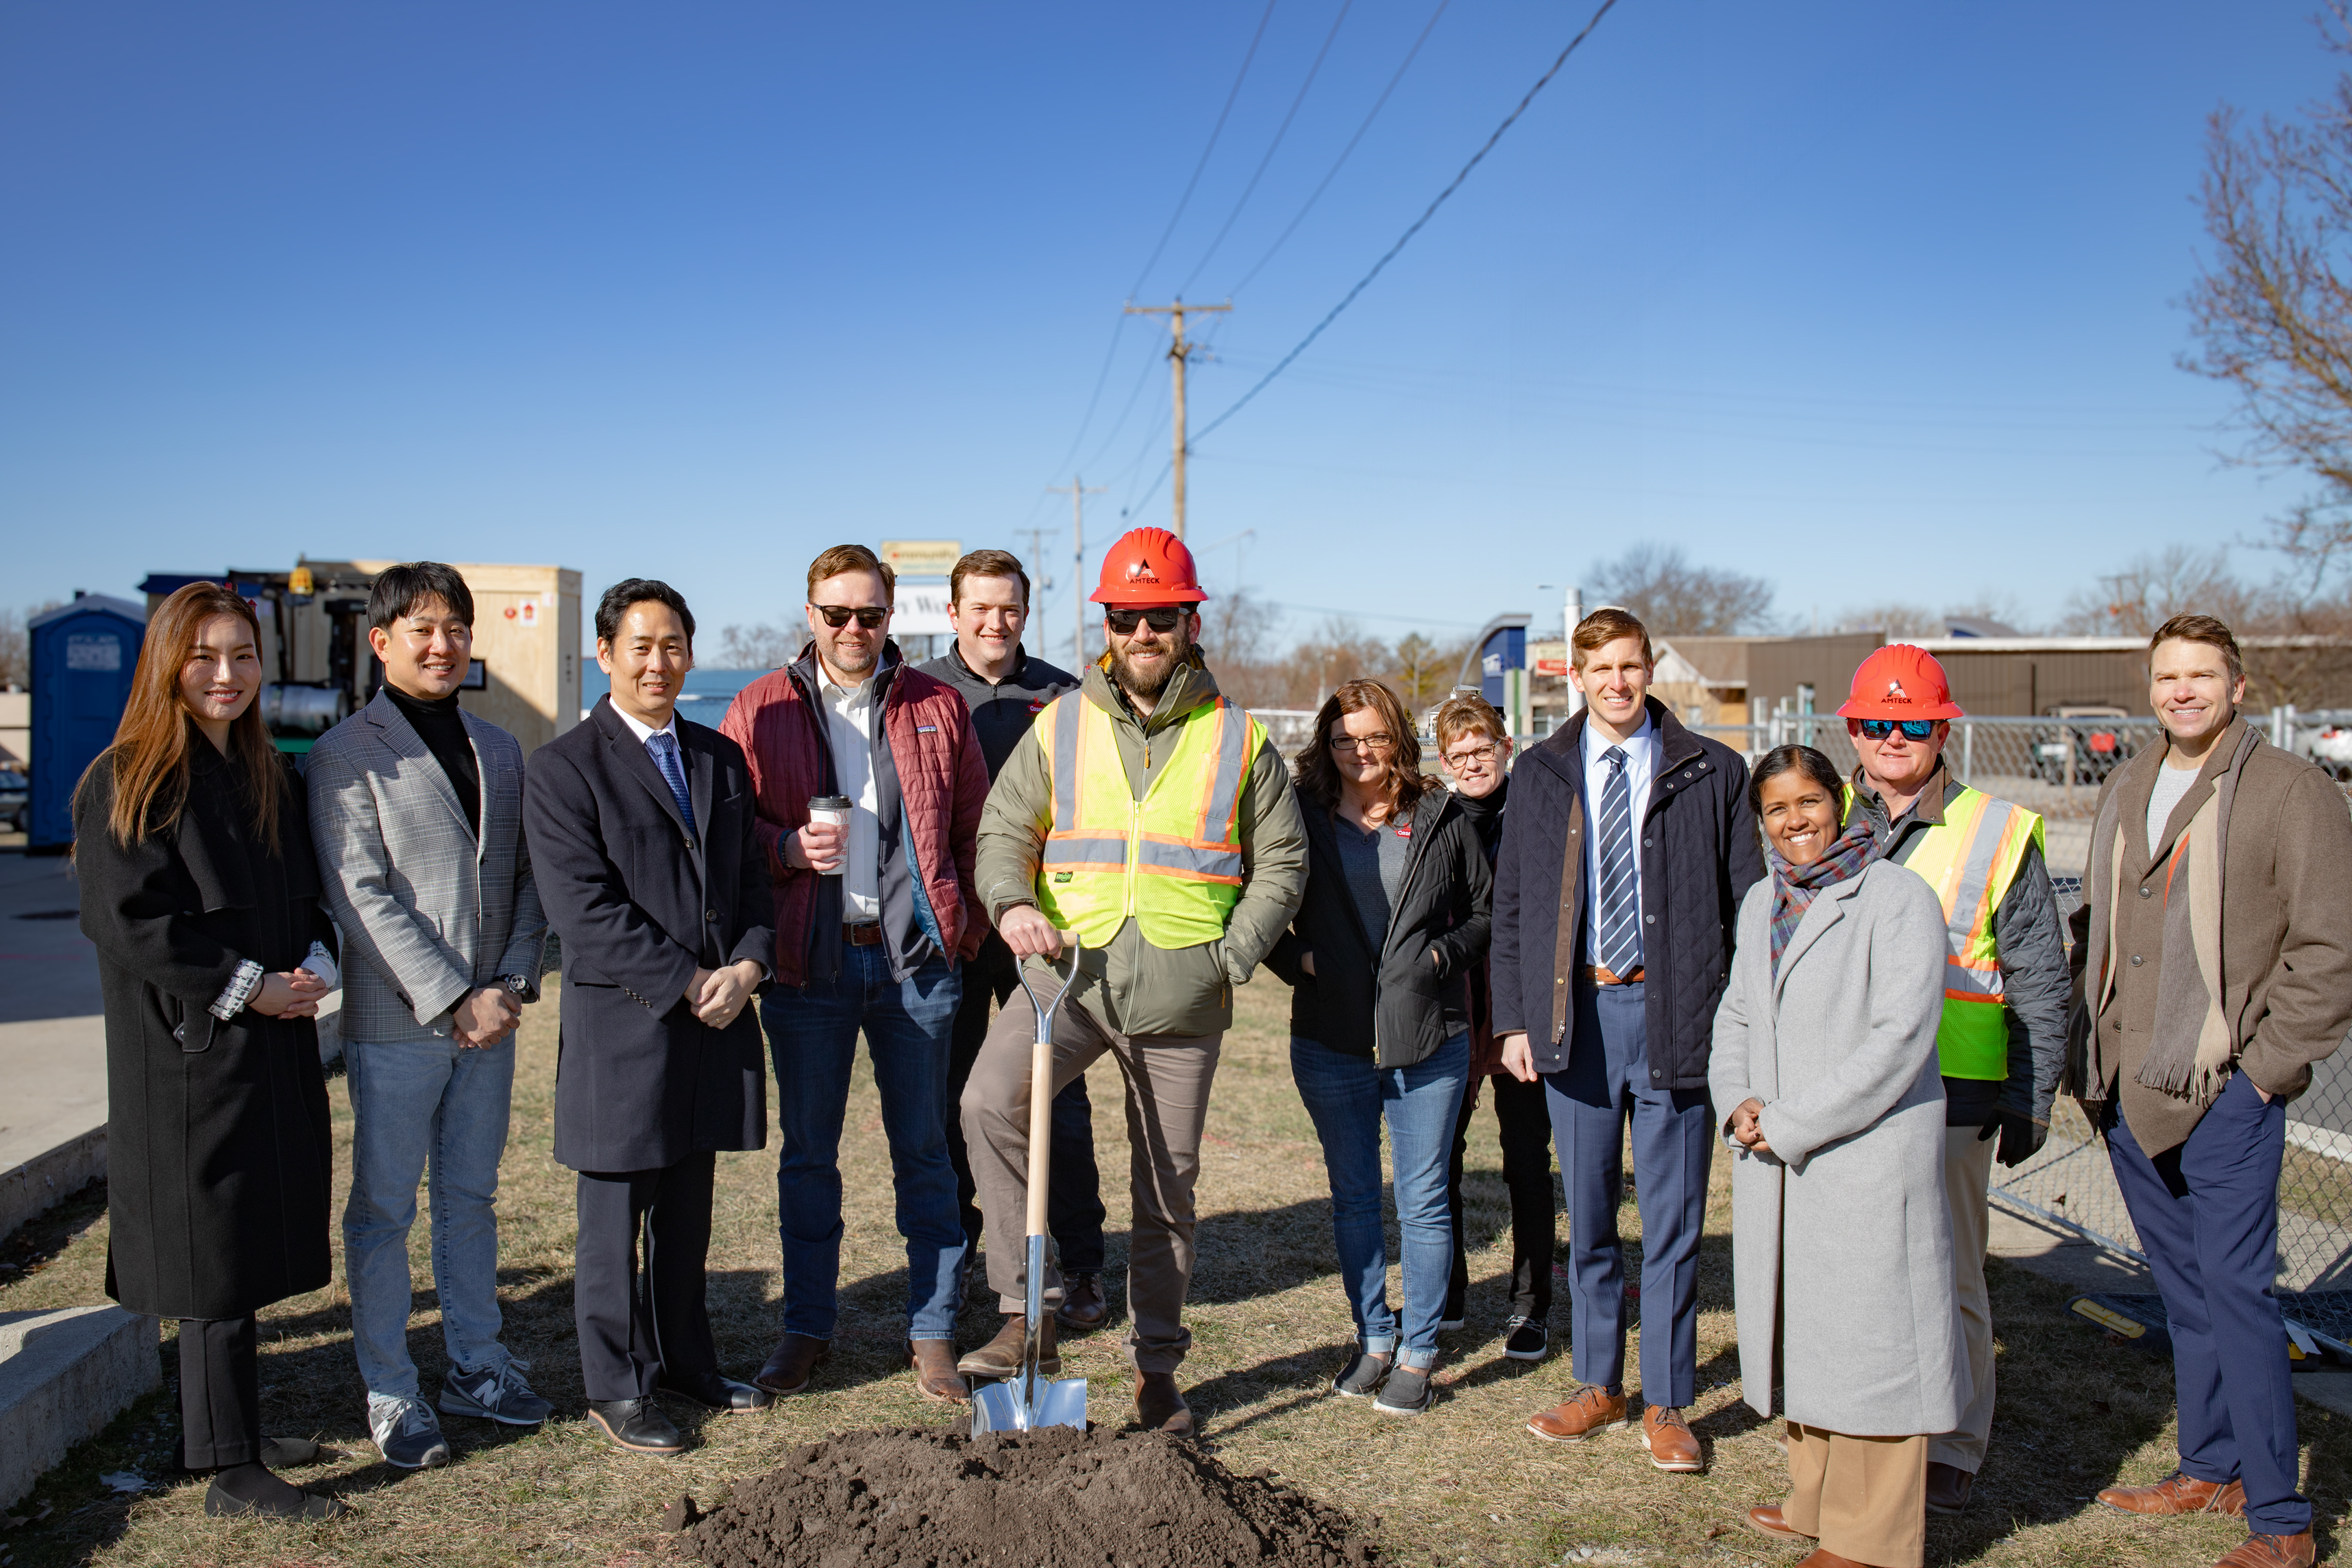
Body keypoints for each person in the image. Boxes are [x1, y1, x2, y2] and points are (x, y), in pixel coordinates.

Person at [960, 526, 1306, 1434]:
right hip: (1066, 981)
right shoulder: (1060, 724)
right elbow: (1002, 836)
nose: (1142, 633)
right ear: (1106, 625)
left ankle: (1157, 1364)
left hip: (1181, 997)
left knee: (1167, 1188)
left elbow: (1283, 862)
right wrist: (1009, 908)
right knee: (989, 1103)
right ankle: (1022, 1315)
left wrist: (1229, 958)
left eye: (1160, 617)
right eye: (1125, 617)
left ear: (1192, 621)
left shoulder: (1239, 738)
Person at [2070, 615, 2349, 1568]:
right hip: (2126, 1088)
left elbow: (2329, 954)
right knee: (2185, 1296)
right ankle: (2210, 1465)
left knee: (2239, 1300)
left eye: (2200, 676)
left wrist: (2265, 1078)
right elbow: (2103, 918)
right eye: (2165, 677)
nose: (2181, 691)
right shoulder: (2129, 780)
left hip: (2228, 1089)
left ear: (2239, 686)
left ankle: (2280, 1522)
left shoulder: (2291, 790)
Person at [73, 582, 345, 1519]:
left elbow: (307, 899)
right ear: (167, 664)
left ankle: (231, 1430)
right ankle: (230, 1471)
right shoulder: (127, 778)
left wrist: (312, 962)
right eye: (204, 658)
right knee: (210, 1257)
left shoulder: (268, 772)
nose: (225, 676)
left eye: (242, 656)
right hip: (190, 1054)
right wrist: (248, 988)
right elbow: (131, 923)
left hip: (270, 1047)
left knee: (255, 1236)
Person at [720, 543, 992, 1404]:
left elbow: (978, 833)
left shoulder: (937, 704)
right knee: (809, 1159)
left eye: (868, 614)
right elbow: (729, 840)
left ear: (891, 615)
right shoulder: (758, 707)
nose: (851, 629)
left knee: (927, 1153)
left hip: (915, 967)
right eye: (835, 613)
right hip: (810, 967)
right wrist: (785, 848)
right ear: (809, 614)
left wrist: (962, 930)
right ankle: (805, 1327)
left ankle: (934, 1330)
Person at [1495, 605, 1761, 1474]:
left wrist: (1741, 1022)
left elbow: (1747, 906)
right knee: (1595, 1216)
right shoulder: (1540, 772)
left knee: (1676, 1221)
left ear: (1651, 670)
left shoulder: (1711, 770)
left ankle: (1669, 1400)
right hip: (1579, 1022)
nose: (1617, 681)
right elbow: (1515, 908)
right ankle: (1597, 1380)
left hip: (1676, 1017)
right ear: (1574, 675)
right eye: (1600, 667)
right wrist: (1515, 1018)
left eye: (1631, 665)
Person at [307, 562, 553, 1471]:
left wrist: (514, 984)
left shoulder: (500, 748)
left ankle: (477, 1368)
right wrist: (453, 996)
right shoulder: (344, 753)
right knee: (382, 1211)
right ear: (382, 642)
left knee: (471, 1199)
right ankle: (390, 1388)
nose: (442, 644)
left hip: (492, 1024)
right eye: (422, 629)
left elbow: (529, 877)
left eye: (455, 627)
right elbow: (361, 895)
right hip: (398, 1025)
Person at [524, 579, 776, 1456]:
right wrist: (686, 980)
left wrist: (747, 963)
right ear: (605, 654)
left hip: (714, 1021)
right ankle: (617, 1386)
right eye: (640, 645)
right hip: (628, 1029)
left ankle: (685, 1360)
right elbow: (582, 911)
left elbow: (751, 883)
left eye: (673, 644)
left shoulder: (718, 758)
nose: (658, 662)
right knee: (613, 1222)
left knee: (689, 1213)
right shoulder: (562, 768)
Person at [1712, 745, 1963, 1568]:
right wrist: (1737, 1101)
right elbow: (1737, 1016)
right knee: (1807, 1326)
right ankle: (1814, 1498)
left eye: (1810, 801)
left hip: (1865, 1151)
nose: (1795, 821)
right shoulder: (1761, 900)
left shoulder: (1897, 898)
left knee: (1872, 1344)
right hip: (1781, 1149)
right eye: (1777, 809)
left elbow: (1897, 1042)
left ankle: (1874, 1538)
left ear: (1841, 799)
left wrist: (1785, 1121)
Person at [1835, 644, 2068, 1515]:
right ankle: (1873, 1427)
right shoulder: (1825, 819)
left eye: (1916, 723)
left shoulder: (1996, 829)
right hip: (1850, 1091)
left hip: (1953, 1087)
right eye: (1878, 722)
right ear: (1853, 729)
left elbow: (2041, 975)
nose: (1895, 737)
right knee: (1865, 1272)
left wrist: (2028, 1093)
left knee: (1951, 1271)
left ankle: (1956, 1439)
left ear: (1942, 731)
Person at [1264, 679, 1489, 1416]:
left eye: (1375, 736)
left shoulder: (1440, 813)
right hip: (1331, 1037)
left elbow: (1487, 910)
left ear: (1397, 738)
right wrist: (1294, 960)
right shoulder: (1299, 814)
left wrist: (1439, 959)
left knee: (1423, 1199)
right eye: (1343, 739)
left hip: (1428, 1034)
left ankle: (1420, 1350)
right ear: (1325, 746)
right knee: (1356, 1197)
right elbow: (1250, 896)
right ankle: (1376, 1338)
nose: (1360, 751)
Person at [913, 549, 1108, 1332]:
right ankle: (969, 1261)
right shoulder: (922, 693)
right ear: (954, 612)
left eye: (1011, 608)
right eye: (981, 607)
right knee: (961, 1099)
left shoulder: (1064, 694)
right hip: (958, 930)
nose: (997, 622)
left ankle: (1085, 1261)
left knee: (1058, 1100)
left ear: (1027, 612)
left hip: (1045, 932)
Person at [1432, 691, 1556, 1361]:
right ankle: (1444, 1292)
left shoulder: (1533, 813)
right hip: (1456, 1004)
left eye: (1484, 748)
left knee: (1526, 1161)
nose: (1474, 761)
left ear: (1506, 747)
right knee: (1439, 1154)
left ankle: (1530, 1301)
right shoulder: (1439, 818)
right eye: (1460, 753)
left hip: (1519, 1006)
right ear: (1444, 760)